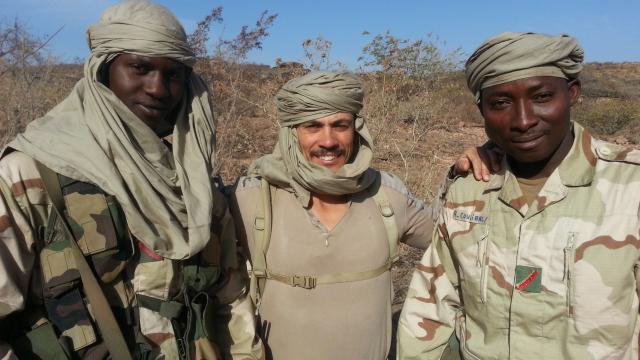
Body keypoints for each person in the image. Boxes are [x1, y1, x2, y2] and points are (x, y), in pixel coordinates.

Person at [0, 1, 260, 359]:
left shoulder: (191, 181)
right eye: (139, 68)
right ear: (104, 70)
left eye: (173, 75)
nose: (158, 88)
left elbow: (229, 300)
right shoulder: (30, 175)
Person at [397, 32, 640, 359]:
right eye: (501, 103)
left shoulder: (631, 185)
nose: (523, 121)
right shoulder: (470, 187)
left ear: (572, 94)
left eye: (541, 97)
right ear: (482, 109)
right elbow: (432, 306)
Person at [228, 71, 494, 360]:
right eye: (312, 126)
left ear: (356, 130)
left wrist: (464, 176)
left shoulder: (385, 194)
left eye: (340, 125)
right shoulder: (250, 198)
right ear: (291, 133)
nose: (328, 141)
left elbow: (454, 235)